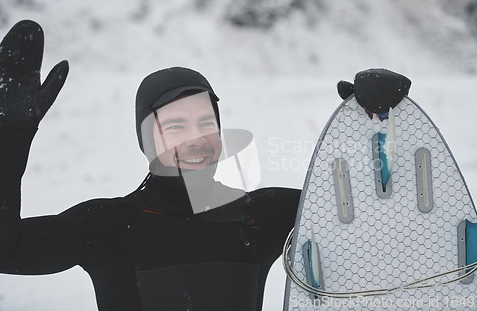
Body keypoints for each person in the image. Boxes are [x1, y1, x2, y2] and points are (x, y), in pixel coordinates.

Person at [0, 20, 300, 311]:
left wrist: (349, 121)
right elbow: (6, 251)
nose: (196, 139)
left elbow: (342, 208)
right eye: (175, 127)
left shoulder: (259, 216)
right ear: (147, 142)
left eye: (206, 123)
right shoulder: (109, 228)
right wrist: (10, 137)